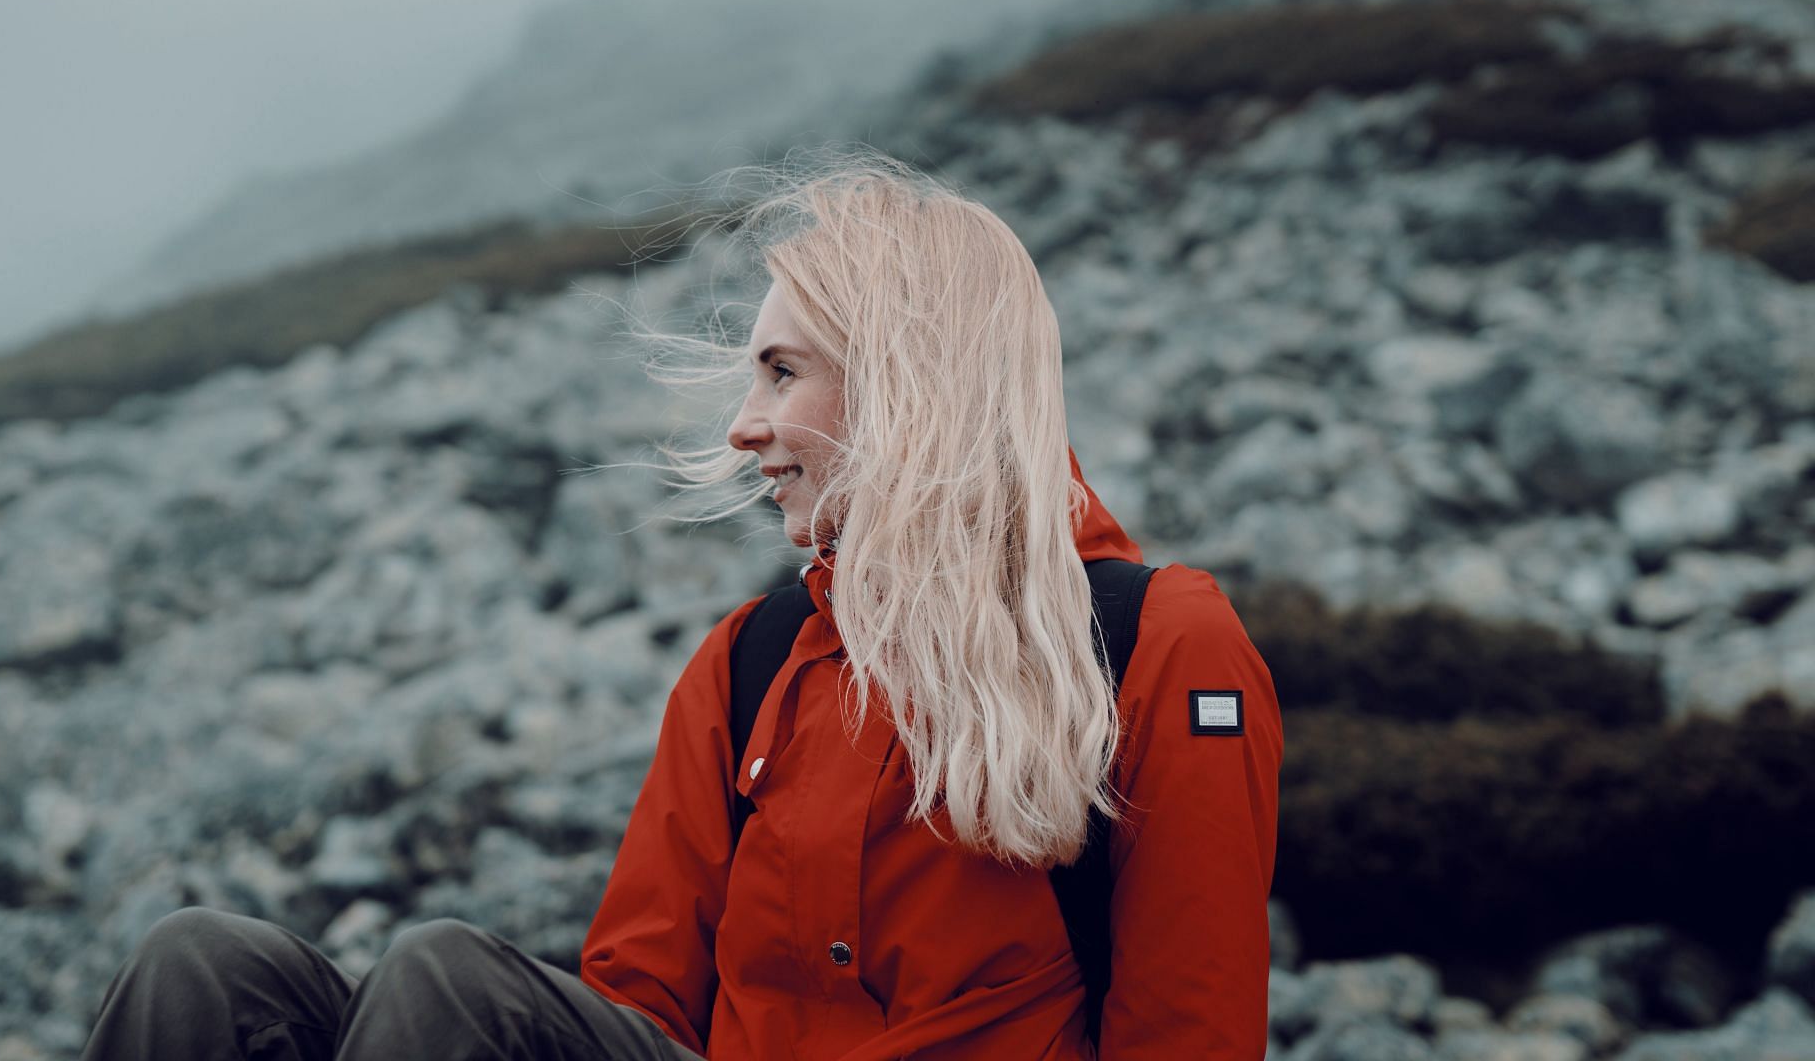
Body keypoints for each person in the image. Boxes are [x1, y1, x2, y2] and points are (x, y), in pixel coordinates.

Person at [80, 158, 1281, 1060]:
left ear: (911, 384)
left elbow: (1190, 1028)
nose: (742, 424)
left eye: (781, 370)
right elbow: (638, 999)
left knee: (445, 979)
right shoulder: (750, 661)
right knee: (205, 970)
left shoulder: (1155, 644)